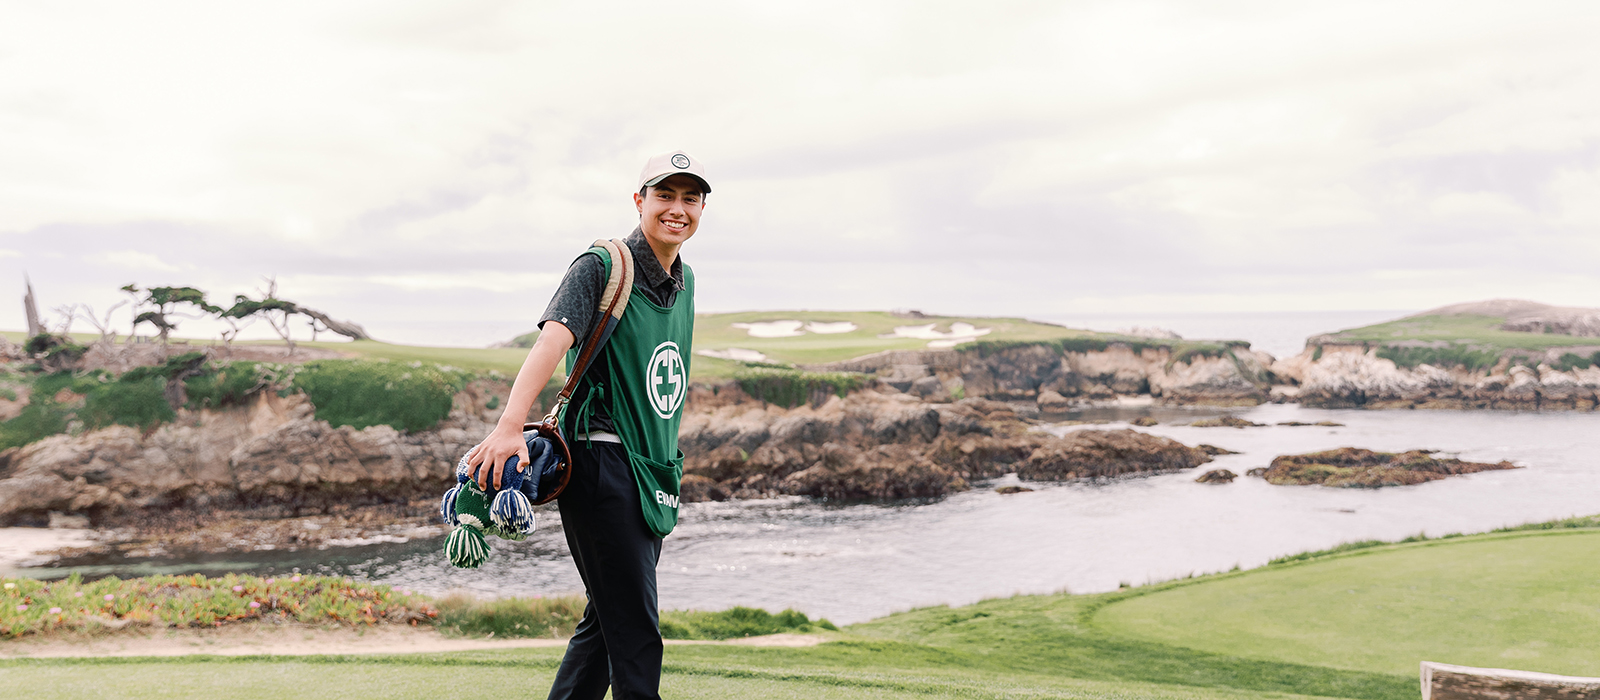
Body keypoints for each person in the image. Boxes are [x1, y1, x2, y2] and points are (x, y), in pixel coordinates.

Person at [465, 150, 709, 700]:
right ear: (639, 201)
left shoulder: (685, 279)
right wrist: (508, 427)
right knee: (638, 635)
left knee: (605, 627)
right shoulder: (601, 265)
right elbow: (553, 340)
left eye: (689, 198)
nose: (677, 209)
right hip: (602, 464)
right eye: (664, 195)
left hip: (653, 472)